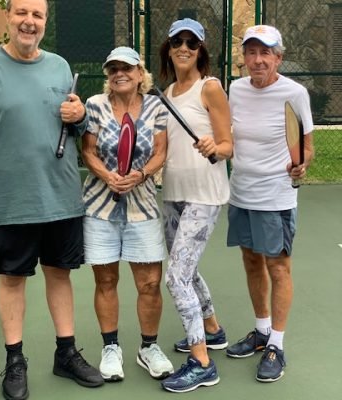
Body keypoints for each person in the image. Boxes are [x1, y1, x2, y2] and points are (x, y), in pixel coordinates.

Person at [0, 0, 104, 399]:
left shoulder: (60, 66)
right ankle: (14, 362)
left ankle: (66, 354)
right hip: (9, 199)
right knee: (13, 280)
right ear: (8, 17)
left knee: (60, 274)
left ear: (45, 22)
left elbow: (77, 127)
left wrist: (82, 117)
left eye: (37, 15)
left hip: (60, 197)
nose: (29, 21)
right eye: (22, 13)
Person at [226, 25, 314, 383]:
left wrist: (303, 164)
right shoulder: (235, 89)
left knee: (278, 267)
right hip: (241, 193)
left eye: (266, 53)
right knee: (250, 261)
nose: (258, 60)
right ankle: (261, 330)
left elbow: (306, 145)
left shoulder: (294, 92)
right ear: (244, 58)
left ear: (278, 57)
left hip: (275, 196)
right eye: (251, 52)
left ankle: (277, 343)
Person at [81, 46, 174, 383]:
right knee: (105, 280)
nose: (119, 73)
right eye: (113, 69)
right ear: (108, 75)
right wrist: (107, 176)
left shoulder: (155, 106)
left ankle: (148, 347)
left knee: (149, 282)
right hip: (99, 208)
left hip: (144, 206)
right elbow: (87, 151)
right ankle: (111, 348)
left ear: (139, 74)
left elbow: (161, 151)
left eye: (126, 68)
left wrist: (142, 174)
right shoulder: (94, 105)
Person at [157, 18, 233, 393]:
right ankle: (213, 330)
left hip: (205, 194)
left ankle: (202, 363)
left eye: (191, 42)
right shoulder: (167, 92)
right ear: (169, 48)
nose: (183, 48)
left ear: (201, 49)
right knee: (188, 269)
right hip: (173, 193)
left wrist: (213, 147)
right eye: (177, 41)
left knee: (176, 276)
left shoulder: (211, 87)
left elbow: (227, 145)